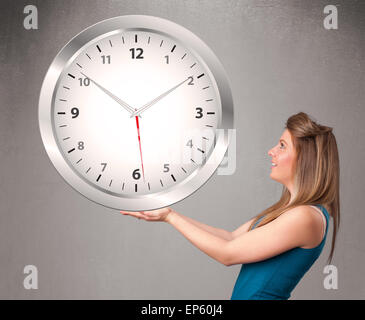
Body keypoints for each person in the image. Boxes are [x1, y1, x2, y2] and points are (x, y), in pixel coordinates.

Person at [121, 112, 340, 300]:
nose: (271, 151)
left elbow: (227, 254)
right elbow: (230, 238)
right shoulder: (290, 211)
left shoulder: (305, 217)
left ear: (305, 159)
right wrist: (169, 214)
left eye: (282, 146)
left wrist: (171, 218)